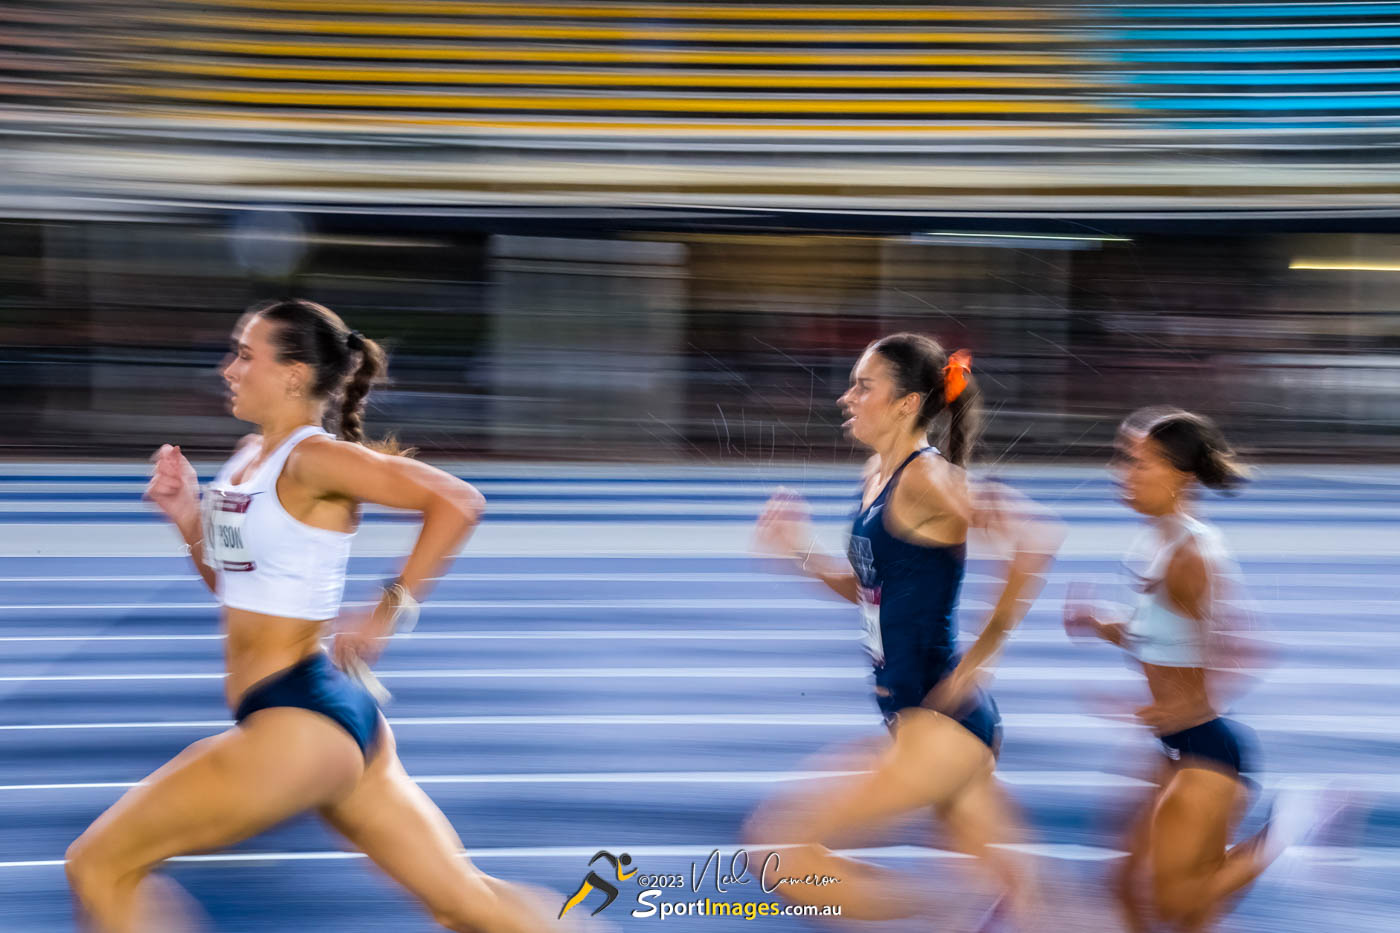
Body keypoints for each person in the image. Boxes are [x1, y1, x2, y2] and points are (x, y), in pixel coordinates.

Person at [65, 298, 581, 932]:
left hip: (298, 723)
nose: (229, 369)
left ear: (292, 374)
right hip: (330, 718)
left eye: (246, 355)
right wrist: (185, 518)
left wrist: (388, 610)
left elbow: (457, 501)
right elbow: (234, 587)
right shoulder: (250, 457)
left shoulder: (316, 459)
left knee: (98, 864)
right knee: (464, 902)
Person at [747, 332, 1060, 927]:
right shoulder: (877, 475)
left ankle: (942, 912)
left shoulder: (926, 479)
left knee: (780, 855)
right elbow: (870, 590)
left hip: (941, 724)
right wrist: (799, 552)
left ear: (906, 403)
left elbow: (1035, 542)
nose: (848, 398)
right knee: (1029, 903)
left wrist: (979, 663)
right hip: (922, 719)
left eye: (864, 387)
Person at [1064, 407, 1328, 932]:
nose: (1126, 474)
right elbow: (1160, 636)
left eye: (1141, 465)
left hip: (1206, 752)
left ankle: (1294, 827)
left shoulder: (1193, 556)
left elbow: (1244, 649)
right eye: (1125, 461)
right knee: (1134, 891)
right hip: (1175, 747)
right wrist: (1102, 624)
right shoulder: (1159, 543)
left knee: (1177, 902)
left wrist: (1175, 706)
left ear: (1182, 478)